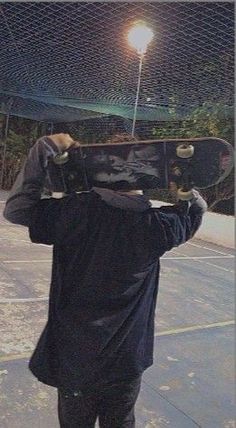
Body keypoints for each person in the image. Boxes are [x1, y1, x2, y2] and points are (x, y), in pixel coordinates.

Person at [3, 133, 207, 428]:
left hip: (76, 359)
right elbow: (195, 213)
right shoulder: (159, 226)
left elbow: (17, 209)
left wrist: (43, 149)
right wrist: (185, 189)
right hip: (127, 362)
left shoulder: (74, 213)